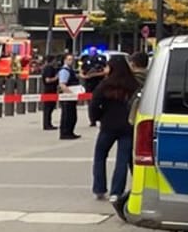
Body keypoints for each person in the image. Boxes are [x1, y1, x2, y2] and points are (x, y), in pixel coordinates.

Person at [90, 55, 139, 201]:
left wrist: (96, 117)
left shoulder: (105, 85)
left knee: (100, 156)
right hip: (127, 126)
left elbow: (94, 103)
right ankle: (116, 192)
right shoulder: (133, 84)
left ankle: (99, 188)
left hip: (108, 125)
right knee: (122, 159)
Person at [56, 54, 84, 140]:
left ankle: (70, 132)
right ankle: (65, 133)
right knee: (67, 115)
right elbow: (62, 85)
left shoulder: (70, 70)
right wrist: (71, 94)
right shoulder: (64, 71)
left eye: (72, 59)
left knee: (72, 115)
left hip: (71, 96)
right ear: (64, 60)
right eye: (69, 59)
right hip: (67, 96)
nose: (71, 61)